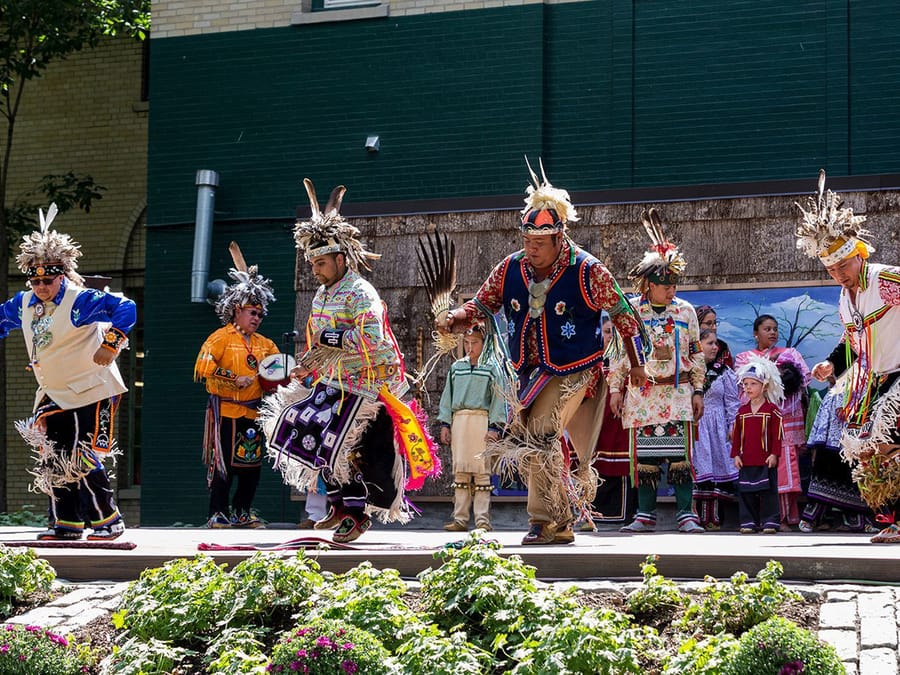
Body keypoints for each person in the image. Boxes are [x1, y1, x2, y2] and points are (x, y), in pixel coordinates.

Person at [441, 161, 647, 545]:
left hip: (576, 369)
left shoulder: (588, 270)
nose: (531, 249)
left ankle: (543, 520)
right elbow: (483, 303)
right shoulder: (511, 268)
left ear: (559, 237)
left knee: (541, 432)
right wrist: (455, 317)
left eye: (539, 243)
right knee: (528, 439)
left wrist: (636, 364)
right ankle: (560, 522)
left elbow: (623, 312)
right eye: (527, 242)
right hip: (529, 371)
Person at [261, 179, 440, 543]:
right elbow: (318, 341)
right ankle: (340, 506)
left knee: (349, 443)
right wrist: (307, 367)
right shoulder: (323, 294)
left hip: (369, 384)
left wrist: (332, 339)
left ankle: (356, 514)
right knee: (303, 424)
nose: (315, 269)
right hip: (335, 382)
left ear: (341, 259)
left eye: (321, 262)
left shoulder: (362, 293)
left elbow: (372, 341)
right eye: (312, 263)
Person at [0, 204, 134, 541]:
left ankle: (108, 521)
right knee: (54, 455)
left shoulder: (80, 300)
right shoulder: (24, 303)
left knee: (80, 454)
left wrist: (111, 343)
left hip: (91, 387)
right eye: (35, 279)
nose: (41, 286)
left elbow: (125, 307)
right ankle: (67, 523)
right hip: (54, 390)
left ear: (62, 275)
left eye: (47, 279)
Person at [796, 169, 900, 543]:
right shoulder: (845, 298)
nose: (838, 273)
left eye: (843, 265)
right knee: (870, 449)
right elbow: (854, 341)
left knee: (888, 441)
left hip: (898, 375)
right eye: (831, 268)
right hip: (876, 378)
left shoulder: (884, 280)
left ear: (859, 255)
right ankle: (891, 519)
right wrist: (832, 364)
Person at [609, 208, 706, 534]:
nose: (671, 290)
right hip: (644, 393)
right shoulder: (633, 310)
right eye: (666, 284)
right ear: (648, 284)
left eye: (674, 284)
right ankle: (645, 515)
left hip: (677, 392)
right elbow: (620, 351)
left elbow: (696, 354)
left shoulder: (686, 312)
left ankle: (685, 514)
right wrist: (614, 388)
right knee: (646, 461)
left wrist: (698, 390)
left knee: (680, 459)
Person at [194, 242, 279, 529]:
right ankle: (217, 513)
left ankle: (242, 512)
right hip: (225, 412)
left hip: (252, 413)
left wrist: (290, 375)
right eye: (251, 312)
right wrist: (234, 378)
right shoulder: (220, 338)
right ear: (235, 311)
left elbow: (280, 369)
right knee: (223, 466)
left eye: (260, 314)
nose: (256, 318)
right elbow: (203, 368)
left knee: (251, 468)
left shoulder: (265, 344)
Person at [734, 314, 809, 530]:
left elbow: (804, 377)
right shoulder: (744, 358)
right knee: (756, 470)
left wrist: (785, 377)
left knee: (782, 467)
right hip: (756, 423)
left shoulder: (790, 354)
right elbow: (741, 386)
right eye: (767, 329)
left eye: (775, 329)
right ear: (756, 333)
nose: (772, 332)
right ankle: (755, 519)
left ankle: (782, 518)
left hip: (784, 421)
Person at [437, 324, 507, 532]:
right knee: (460, 472)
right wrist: (445, 424)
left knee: (482, 472)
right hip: (460, 421)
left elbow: (498, 398)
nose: (470, 347)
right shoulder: (457, 367)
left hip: (481, 421)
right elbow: (447, 398)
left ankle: (483, 521)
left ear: (484, 343)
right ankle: (459, 519)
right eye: (466, 343)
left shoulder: (492, 367)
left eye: (474, 343)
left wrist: (495, 426)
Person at [799, 374, 874, 533]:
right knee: (823, 476)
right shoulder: (830, 394)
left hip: (853, 441)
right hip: (828, 443)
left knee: (854, 479)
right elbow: (822, 421)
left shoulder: (861, 388)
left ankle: (859, 520)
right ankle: (811, 519)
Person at [580, 316, 635, 529]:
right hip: (594, 417)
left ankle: (620, 514)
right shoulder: (590, 359)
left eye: (614, 331)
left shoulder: (626, 358)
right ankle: (589, 514)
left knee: (619, 460)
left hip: (618, 415)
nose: (610, 335)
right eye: (607, 331)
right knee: (590, 461)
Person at [692, 329, 740, 530]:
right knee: (699, 469)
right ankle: (697, 517)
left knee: (718, 468)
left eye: (715, 344)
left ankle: (715, 518)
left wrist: (732, 426)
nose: (715, 347)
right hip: (697, 426)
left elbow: (732, 402)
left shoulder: (724, 372)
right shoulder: (689, 371)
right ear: (698, 345)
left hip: (718, 428)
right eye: (710, 343)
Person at [732, 357, 785, 534]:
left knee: (768, 491)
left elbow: (777, 435)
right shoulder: (742, 412)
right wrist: (736, 455)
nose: (748, 387)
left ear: (764, 386)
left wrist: (774, 454)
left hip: (765, 458)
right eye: (745, 384)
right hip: (746, 459)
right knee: (746, 491)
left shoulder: (772, 410)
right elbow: (737, 436)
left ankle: (770, 521)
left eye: (753, 383)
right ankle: (748, 522)